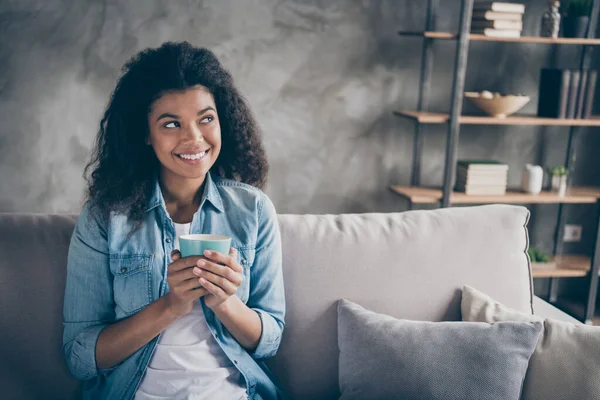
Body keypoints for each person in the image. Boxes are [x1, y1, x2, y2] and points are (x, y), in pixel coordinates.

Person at [62, 41, 286, 400]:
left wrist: (224, 302)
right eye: (171, 123)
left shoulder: (254, 210)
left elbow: (270, 339)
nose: (194, 138)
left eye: (206, 118)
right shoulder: (104, 218)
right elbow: (81, 357)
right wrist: (171, 305)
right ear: (144, 134)